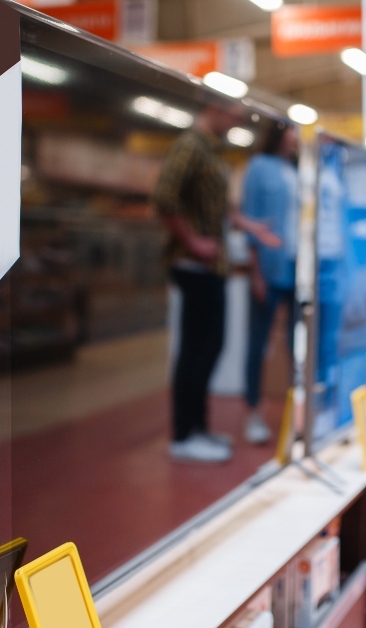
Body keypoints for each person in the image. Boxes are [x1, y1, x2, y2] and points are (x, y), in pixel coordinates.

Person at [154, 101, 279, 464]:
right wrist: (193, 242)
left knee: (210, 347)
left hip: (212, 267)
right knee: (195, 350)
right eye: (234, 114)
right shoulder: (191, 146)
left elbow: (219, 208)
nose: (237, 121)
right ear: (215, 108)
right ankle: (184, 434)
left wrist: (251, 227)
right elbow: (164, 197)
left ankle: (198, 428)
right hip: (195, 266)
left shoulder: (211, 150)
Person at [240, 122, 300, 445]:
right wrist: (256, 272)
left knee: (296, 344)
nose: (296, 137)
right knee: (258, 342)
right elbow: (251, 220)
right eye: (291, 131)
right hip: (269, 266)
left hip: (296, 268)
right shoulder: (259, 167)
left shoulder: (296, 170)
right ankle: (253, 411)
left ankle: (297, 415)